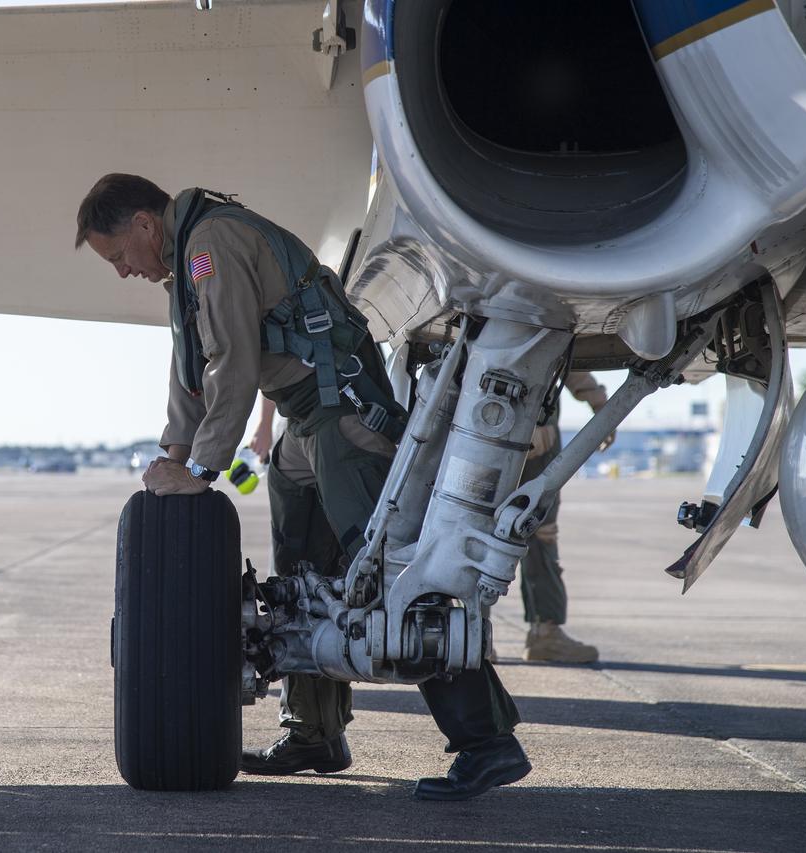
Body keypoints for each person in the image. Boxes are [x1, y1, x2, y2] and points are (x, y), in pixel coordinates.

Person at [76, 173, 530, 801]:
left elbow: (231, 362)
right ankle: (314, 732)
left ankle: (487, 742)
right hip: (304, 419)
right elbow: (191, 373)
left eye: (119, 255)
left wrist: (202, 472)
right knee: (304, 575)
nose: (123, 270)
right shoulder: (186, 265)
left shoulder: (212, 243)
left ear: (145, 225)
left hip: (341, 414)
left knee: (390, 576)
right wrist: (169, 460)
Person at [515, 372, 611, 664]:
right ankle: (545, 633)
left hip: (478, 435)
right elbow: (568, 350)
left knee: (475, 528)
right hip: (535, 440)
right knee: (540, 534)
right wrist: (601, 405)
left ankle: (477, 635)